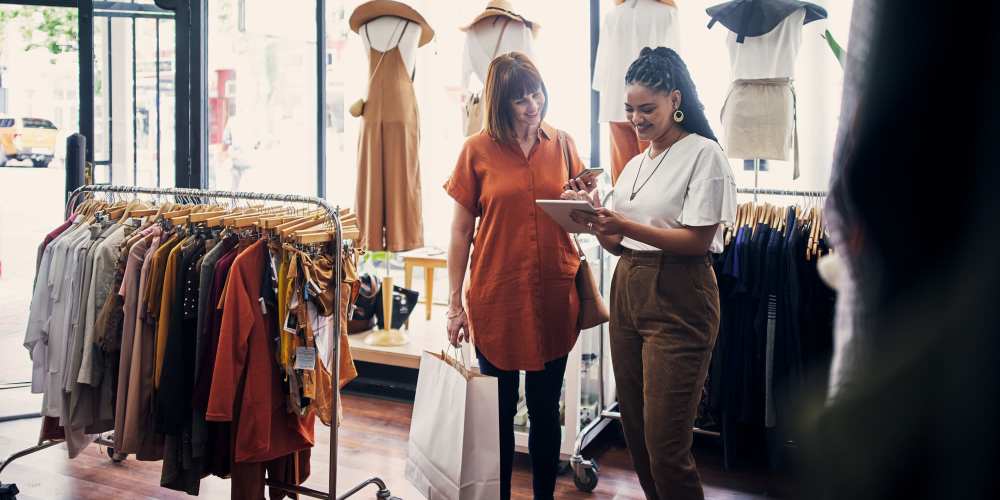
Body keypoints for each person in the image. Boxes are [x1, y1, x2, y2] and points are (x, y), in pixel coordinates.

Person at [566, 46, 736, 500]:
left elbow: (698, 241)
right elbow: (618, 243)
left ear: (675, 100)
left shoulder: (704, 155)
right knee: (638, 437)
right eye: (630, 110)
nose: (636, 120)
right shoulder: (637, 164)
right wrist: (594, 213)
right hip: (628, 291)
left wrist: (623, 224)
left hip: (680, 295)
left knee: (666, 445)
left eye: (647, 109)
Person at [443, 51, 597, 500]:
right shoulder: (476, 150)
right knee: (500, 413)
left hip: (554, 295)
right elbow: (459, 230)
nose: (534, 106)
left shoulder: (564, 143)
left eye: (537, 93)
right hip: (497, 298)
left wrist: (586, 200)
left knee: (547, 410)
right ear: (500, 104)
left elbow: (582, 218)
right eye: (521, 100)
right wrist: (454, 303)